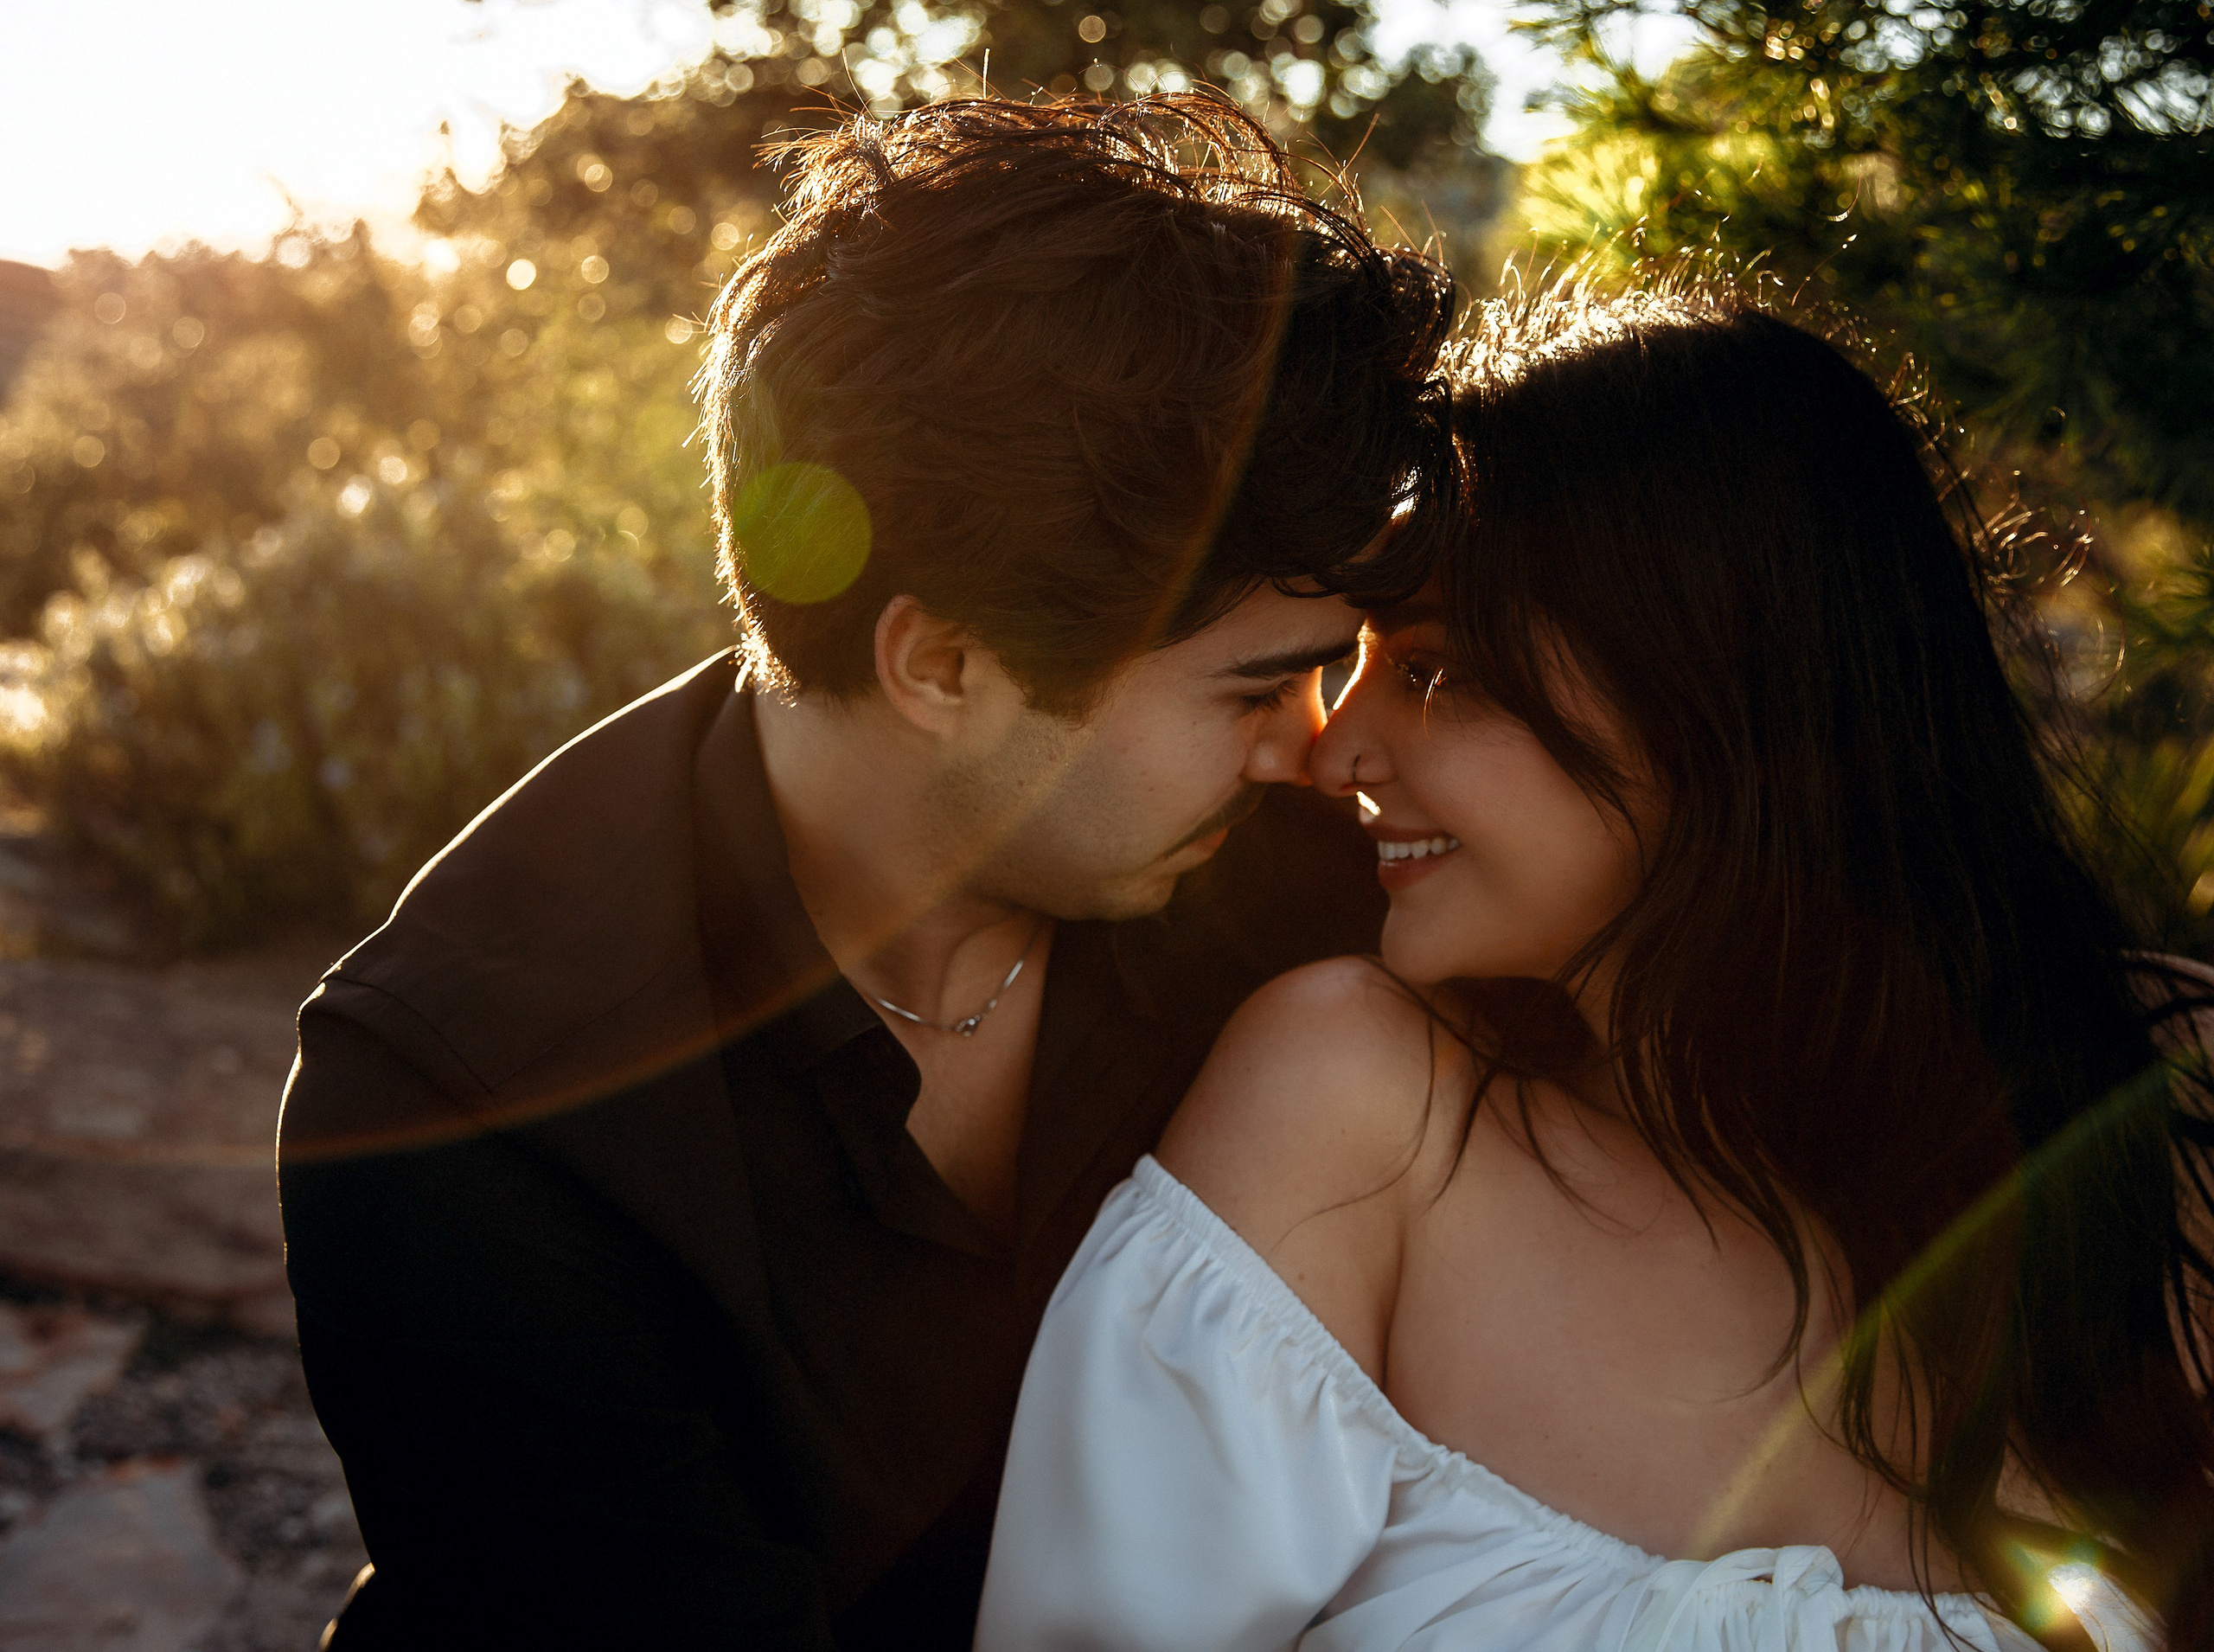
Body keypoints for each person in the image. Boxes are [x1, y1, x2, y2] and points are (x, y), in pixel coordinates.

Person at [276, 93, 1458, 1649]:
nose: (1315, 750)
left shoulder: (1308, 884)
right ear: (943, 663)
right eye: (1257, 688)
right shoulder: (466, 1096)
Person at [977, 281, 2214, 1649]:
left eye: (1434, 671)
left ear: (1718, 694)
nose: (1336, 753)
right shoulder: (1364, 1119)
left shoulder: (2157, 1125)